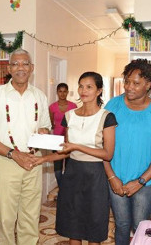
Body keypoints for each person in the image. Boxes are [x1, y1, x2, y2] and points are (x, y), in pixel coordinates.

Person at [33, 71, 117, 245]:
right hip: (72, 174)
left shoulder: (107, 117)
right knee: (74, 226)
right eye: (80, 86)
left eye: (89, 87)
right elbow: (65, 150)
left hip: (95, 176)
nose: (83, 90)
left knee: (94, 226)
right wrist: (42, 159)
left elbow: (108, 153)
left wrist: (77, 146)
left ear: (99, 90)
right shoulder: (69, 116)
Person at [0, 48, 51, 245]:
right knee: (6, 217)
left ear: (32, 68)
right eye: (16, 64)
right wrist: (13, 154)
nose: (21, 68)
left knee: (30, 215)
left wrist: (44, 131)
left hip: (34, 162)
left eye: (25, 63)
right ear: (9, 68)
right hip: (7, 161)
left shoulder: (40, 96)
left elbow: (45, 125)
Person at [104, 59, 151, 245]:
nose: (129, 87)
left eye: (136, 83)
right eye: (127, 81)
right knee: (121, 224)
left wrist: (140, 181)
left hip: (146, 183)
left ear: (148, 84)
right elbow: (101, 146)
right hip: (116, 179)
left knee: (141, 227)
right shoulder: (113, 105)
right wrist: (112, 178)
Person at [49, 83, 77, 187]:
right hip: (56, 141)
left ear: (67, 92)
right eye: (60, 91)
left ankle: (67, 191)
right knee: (57, 170)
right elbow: (51, 124)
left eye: (64, 91)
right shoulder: (52, 107)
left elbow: (76, 123)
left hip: (70, 141)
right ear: (57, 92)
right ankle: (62, 189)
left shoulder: (73, 106)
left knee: (69, 169)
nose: (62, 93)